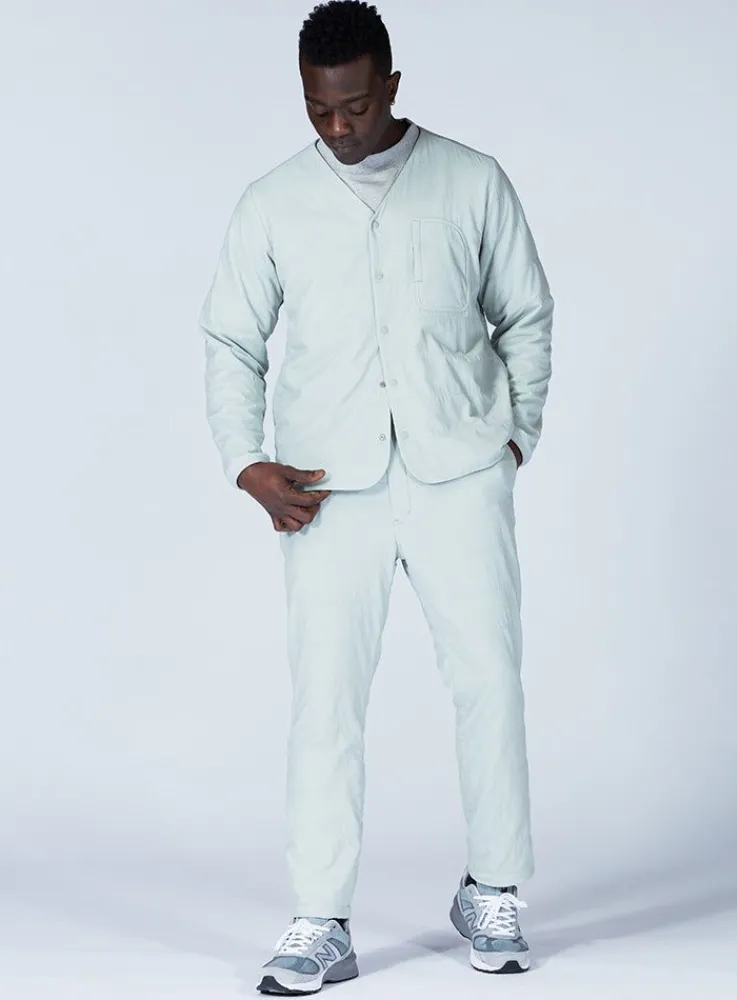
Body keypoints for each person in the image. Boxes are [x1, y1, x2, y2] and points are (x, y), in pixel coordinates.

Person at [198, 1, 554, 992]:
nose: (339, 126)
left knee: (489, 680)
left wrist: (513, 437)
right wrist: (245, 461)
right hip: (325, 489)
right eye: (319, 109)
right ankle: (321, 918)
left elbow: (524, 312)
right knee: (326, 700)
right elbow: (230, 337)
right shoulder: (273, 201)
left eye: (355, 106)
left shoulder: (471, 181)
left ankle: (493, 887)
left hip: (458, 473)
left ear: (390, 86)